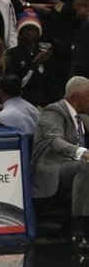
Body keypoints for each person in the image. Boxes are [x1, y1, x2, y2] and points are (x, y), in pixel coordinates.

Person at [31, 76, 89, 251]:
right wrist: (82, 152)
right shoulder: (53, 112)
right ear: (76, 97)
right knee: (85, 167)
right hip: (51, 168)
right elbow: (55, 141)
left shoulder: (82, 116)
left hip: (70, 166)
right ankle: (79, 229)